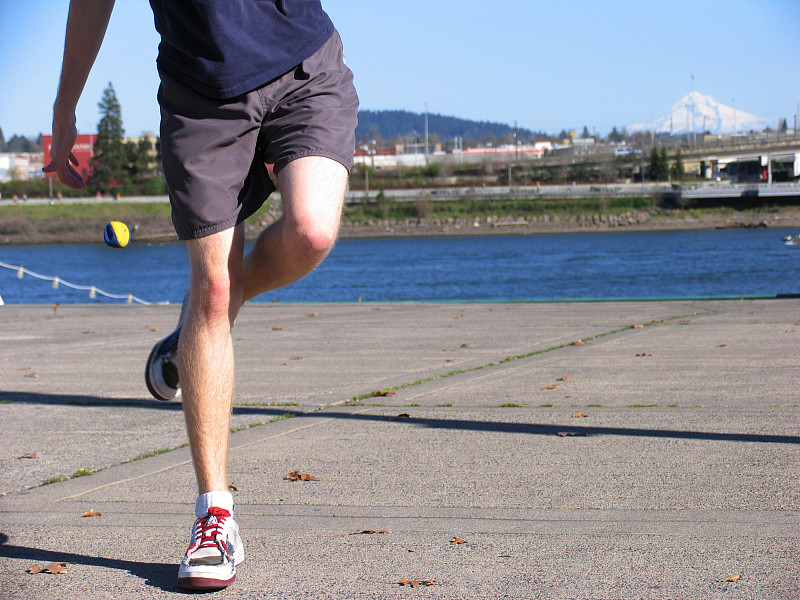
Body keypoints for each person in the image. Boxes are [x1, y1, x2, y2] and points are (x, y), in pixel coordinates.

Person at [44, 0, 358, 590]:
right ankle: (215, 516)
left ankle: (197, 329)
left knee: (311, 231)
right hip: (201, 96)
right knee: (212, 284)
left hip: (304, 64)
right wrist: (65, 110)